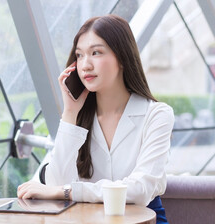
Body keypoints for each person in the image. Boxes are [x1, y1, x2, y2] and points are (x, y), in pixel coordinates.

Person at [17, 14, 174, 224]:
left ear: (123, 58)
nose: (85, 65)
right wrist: (70, 113)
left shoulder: (157, 115)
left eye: (96, 53)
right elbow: (56, 183)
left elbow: (140, 189)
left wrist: (68, 191)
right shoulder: (77, 117)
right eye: (79, 55)